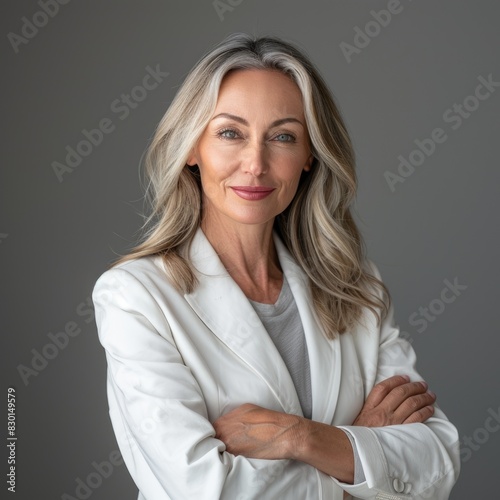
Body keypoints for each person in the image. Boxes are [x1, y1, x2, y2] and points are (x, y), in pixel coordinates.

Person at [92, 33, 460, 499]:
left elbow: (436, 461)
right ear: (191, 148)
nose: (255, 164)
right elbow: (203, 490)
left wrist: (298, 437)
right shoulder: (135, 296)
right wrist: (359, 455)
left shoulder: (356, 287)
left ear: (309, 156)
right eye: (230, 133)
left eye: (283, 136)